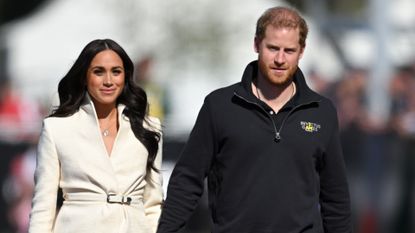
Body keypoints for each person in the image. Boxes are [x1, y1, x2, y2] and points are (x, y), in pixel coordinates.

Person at [157, 6, 351, 233]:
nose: (280, 59)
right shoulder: (220, 106)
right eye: (272, 48)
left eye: (289, 50)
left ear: (302, 51)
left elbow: (335, 195)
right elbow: (187, 179)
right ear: (257, 44)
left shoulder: (321, 111)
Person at [28, 39, 163, 233]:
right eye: (98, 71)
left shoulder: (149, 128)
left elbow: (153, 203)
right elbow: (43, 205)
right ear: (84, 77)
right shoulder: (56, 128)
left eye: (116, 71)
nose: (108, 80)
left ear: (125, 77)